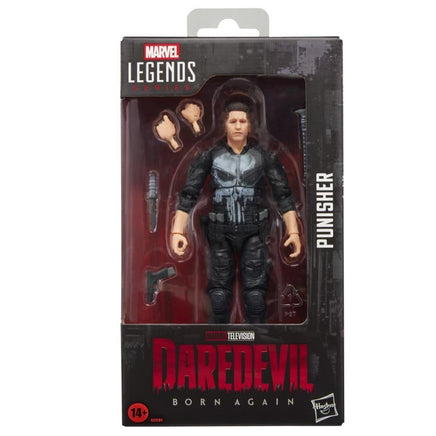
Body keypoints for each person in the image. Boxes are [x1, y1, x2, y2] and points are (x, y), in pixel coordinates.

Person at [170, 101, 301, 323]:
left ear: (250, 125)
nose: (238, 126)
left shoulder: (264, 157)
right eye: (233, 121)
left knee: (256, 295)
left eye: (242, 121)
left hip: (254, 232)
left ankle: (257, 337)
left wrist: (293, 231)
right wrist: (177, 231)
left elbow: (284, 196)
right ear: (225, 124)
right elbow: (189, 194)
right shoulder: (210, 156)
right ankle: (217, 337)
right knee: (219, 296)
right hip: (220, 233)